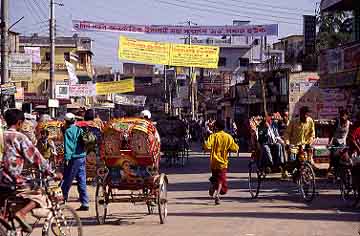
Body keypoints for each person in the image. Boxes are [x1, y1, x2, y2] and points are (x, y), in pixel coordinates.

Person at [1, 109, 54, 233]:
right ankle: (21, 213)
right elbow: (36, 157)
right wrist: (51, 172)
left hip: (1, 178)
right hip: (12, 179)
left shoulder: (1, 134)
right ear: (19, 123)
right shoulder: (19, 137)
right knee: (39, 193)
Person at [203, 120, 239, 205]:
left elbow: (207, 146)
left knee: (216, 178)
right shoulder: (228, 137)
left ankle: (213, 187)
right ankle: (217, 195)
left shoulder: (213, 136)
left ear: (216, 127)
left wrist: (209, 148)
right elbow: (235, 148)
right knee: (220, 180)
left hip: (214, 162)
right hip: (223, 162)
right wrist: (228, 148)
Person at [61, 113, 89, 211]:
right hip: (82, 157)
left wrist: (67, 159)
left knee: (67, 179)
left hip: (74, 158)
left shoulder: (68, 131)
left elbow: (68, 146)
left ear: (66, 121)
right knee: (82, 180)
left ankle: (62, 200)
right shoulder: (79, 129)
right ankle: (85, 203)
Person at [328, 110, 351, 174]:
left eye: (344, 115)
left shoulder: (349, 123)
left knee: (347, 159)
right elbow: (331, 133)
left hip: (343, 143)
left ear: (347, 116)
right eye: (341, 115)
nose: (342, 117)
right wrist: (329, 143)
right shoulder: (337, 123)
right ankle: (330, 170)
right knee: (333, 158)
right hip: (335, 143)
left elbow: (349, 135)